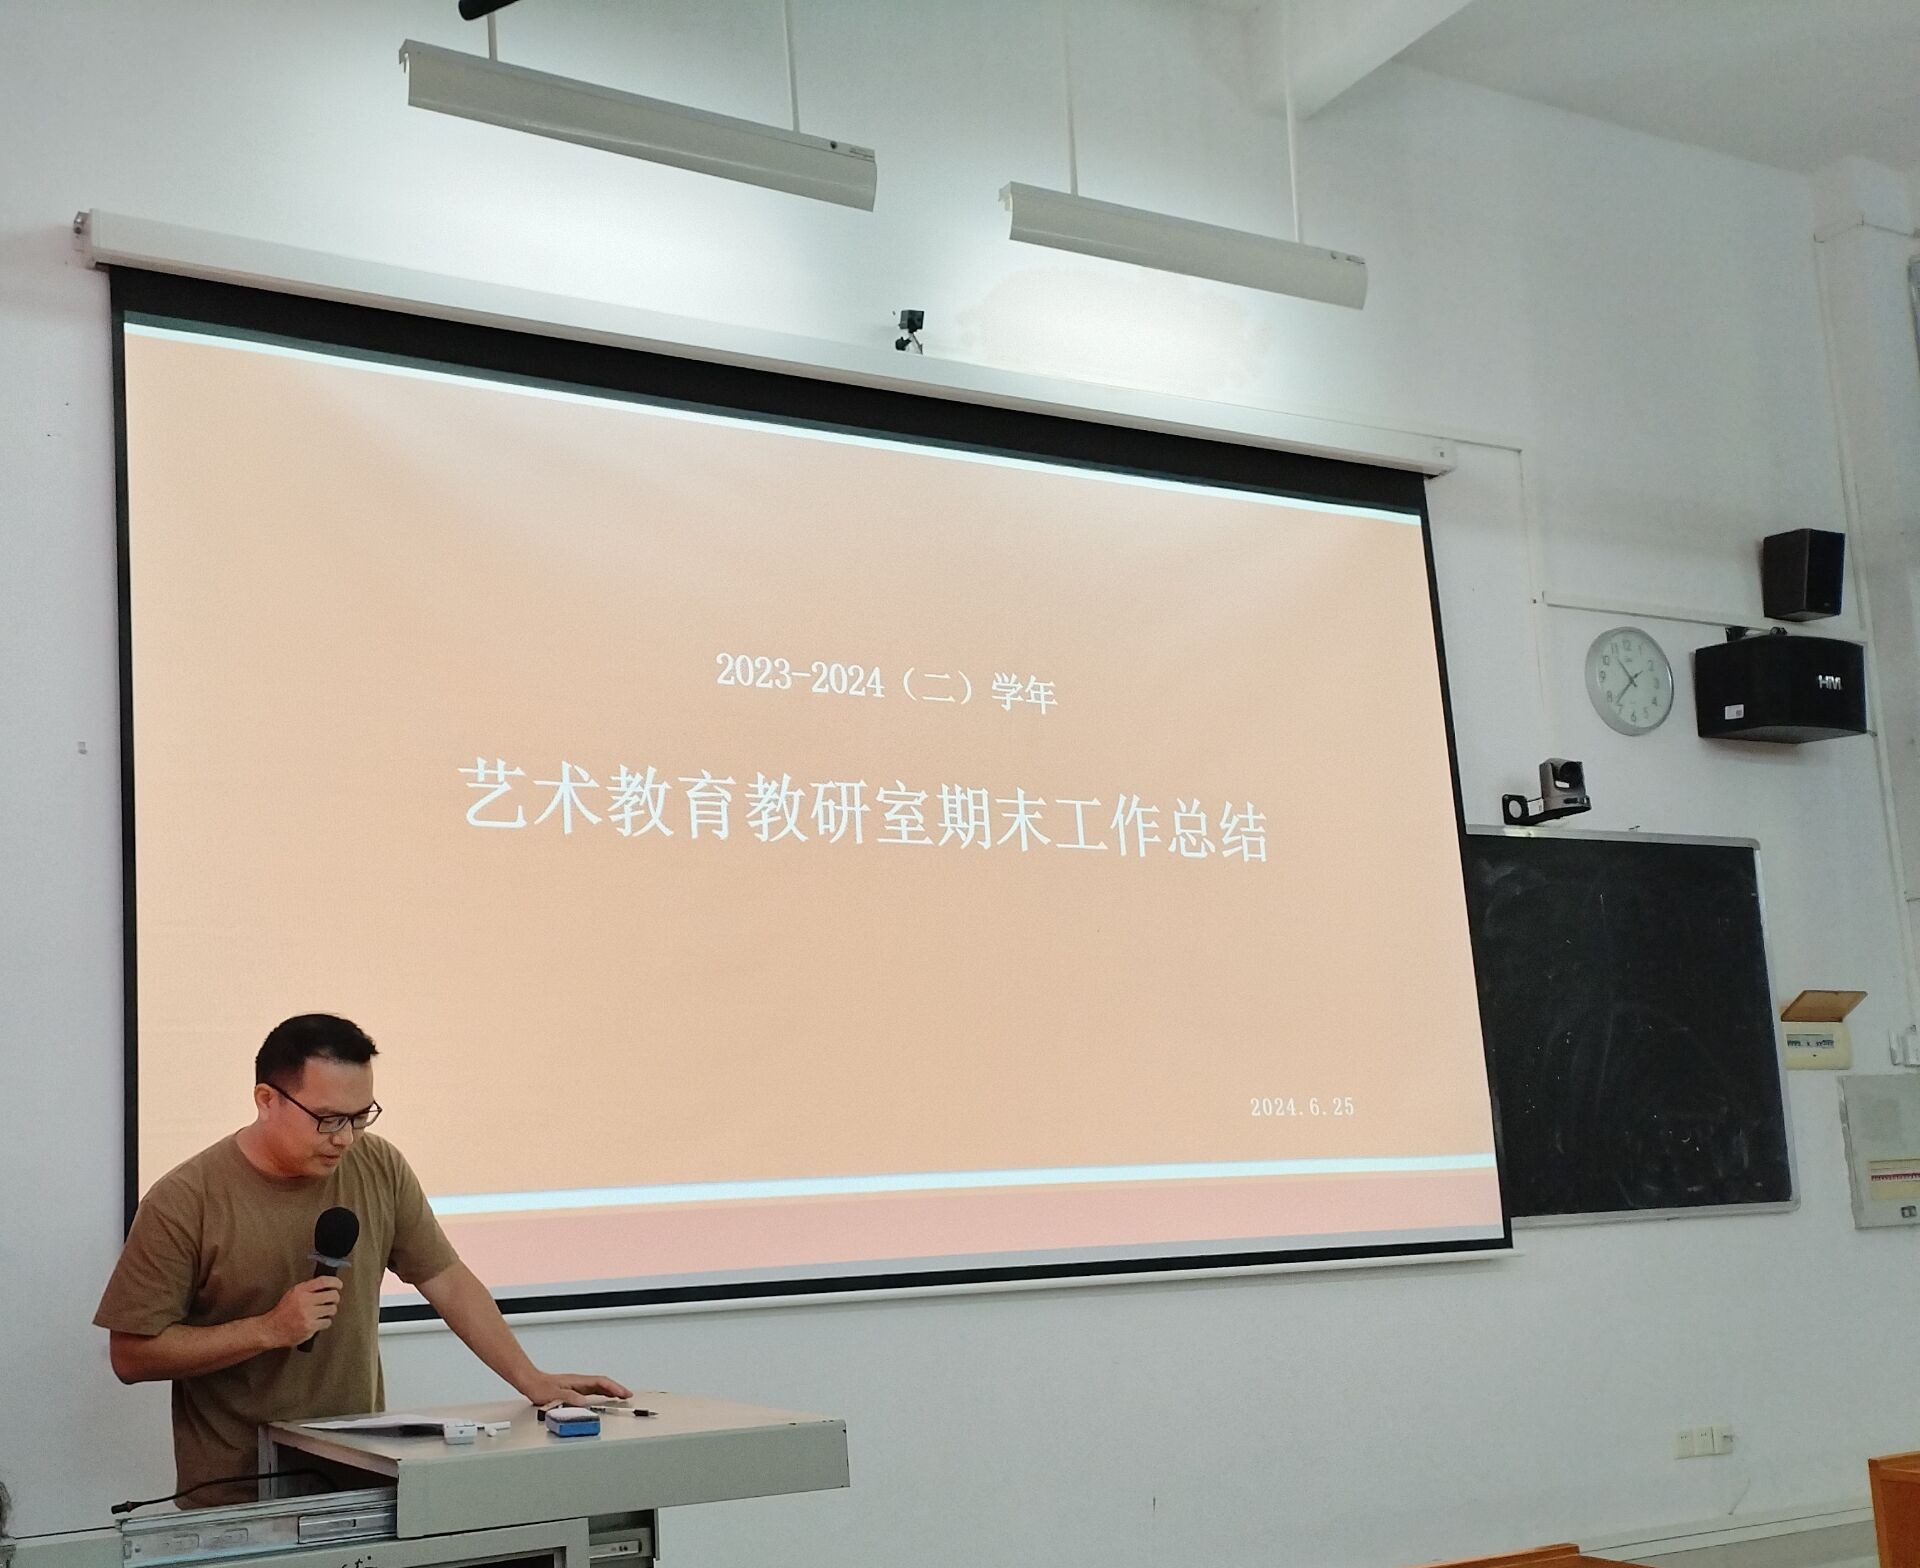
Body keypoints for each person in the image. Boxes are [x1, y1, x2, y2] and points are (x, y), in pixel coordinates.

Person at [96, 1015, 630, 1508]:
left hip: (357, 1479)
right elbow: (132, 1356)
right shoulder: (185, 1200)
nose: (345, 1139)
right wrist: (267, 1330)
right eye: (328, 1119)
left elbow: (446, 1279)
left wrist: (530, 1379)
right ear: (266, 1099)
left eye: (360, 1117)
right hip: (235, 1498)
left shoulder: (379, 1166)